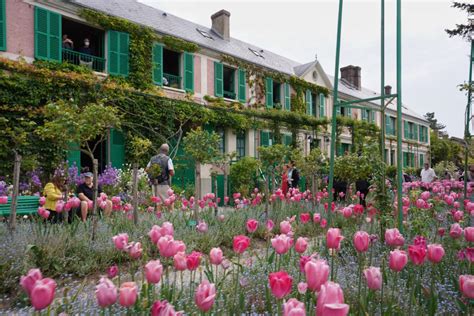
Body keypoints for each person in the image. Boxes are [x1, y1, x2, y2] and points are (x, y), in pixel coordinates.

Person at [146, 144, 175, 210]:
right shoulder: (168, 159)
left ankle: (158, 218)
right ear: (167, 151)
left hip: (154, 184)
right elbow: (171, 172)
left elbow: (147, 169)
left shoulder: (152, 158)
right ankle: (172, 217)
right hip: (164, 184)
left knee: (158, 203)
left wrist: (154, 173)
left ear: (159, 150)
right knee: (170, 202)